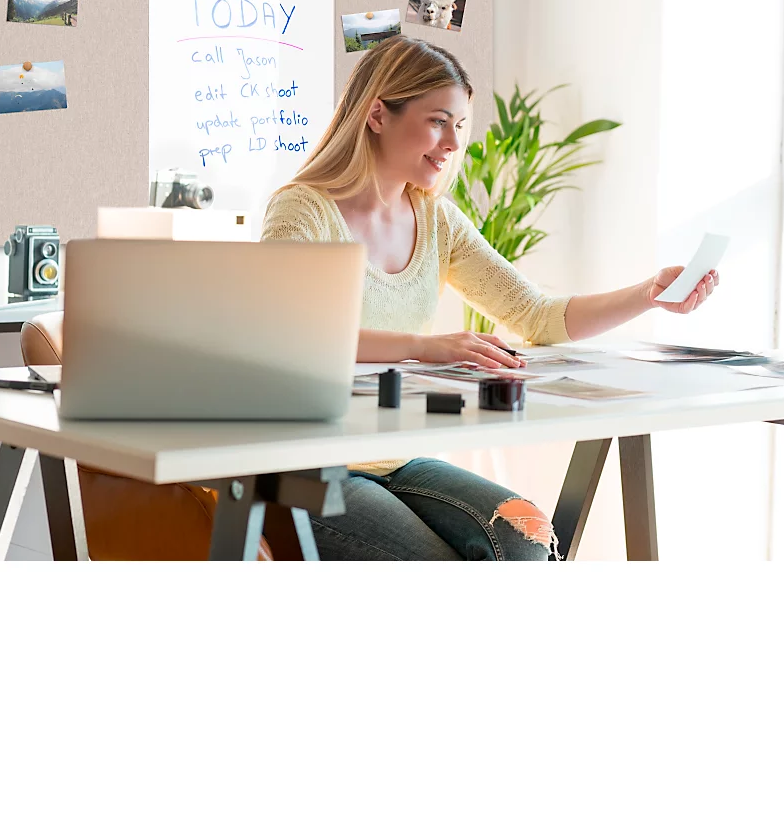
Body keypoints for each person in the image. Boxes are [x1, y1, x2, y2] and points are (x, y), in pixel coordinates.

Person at [261, 35, 719, 560]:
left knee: (526, 539)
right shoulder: (303, 211)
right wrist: (425, 346)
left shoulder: (436, 220)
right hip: (305, 468)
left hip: (394, 460)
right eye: (438, 121)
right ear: (378, 115)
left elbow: (538, 315)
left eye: (459, 125)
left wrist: (647, 294)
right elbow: (293, 340)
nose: (454, 143)